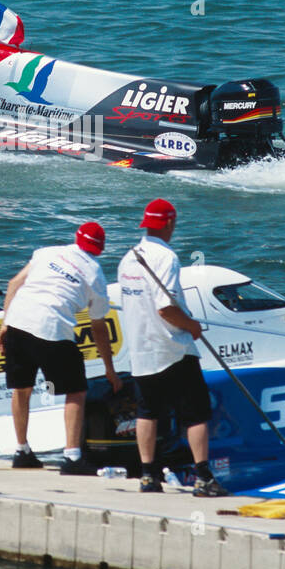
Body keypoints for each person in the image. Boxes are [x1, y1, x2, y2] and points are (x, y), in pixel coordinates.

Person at [116, 198, 230, 497]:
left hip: (140, 350)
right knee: (195, 413)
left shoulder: (128, 258)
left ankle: (148, 476)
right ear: (169, 223)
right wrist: (191, 325)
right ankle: (204, 477)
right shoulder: (166, 257)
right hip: (172, 348)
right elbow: (166, 307)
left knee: (147, 412)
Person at [0, 222, 121, 474]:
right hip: (52, 329)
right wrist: (110, 369)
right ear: (100, 249)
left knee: (21, 389)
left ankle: (22, 451)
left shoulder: (47, 252)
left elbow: (13, 284)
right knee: (76, 391)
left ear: (77, 238)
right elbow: (98, 328)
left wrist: (4, 325)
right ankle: (73, 458)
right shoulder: (95, 274)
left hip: (17, 322)